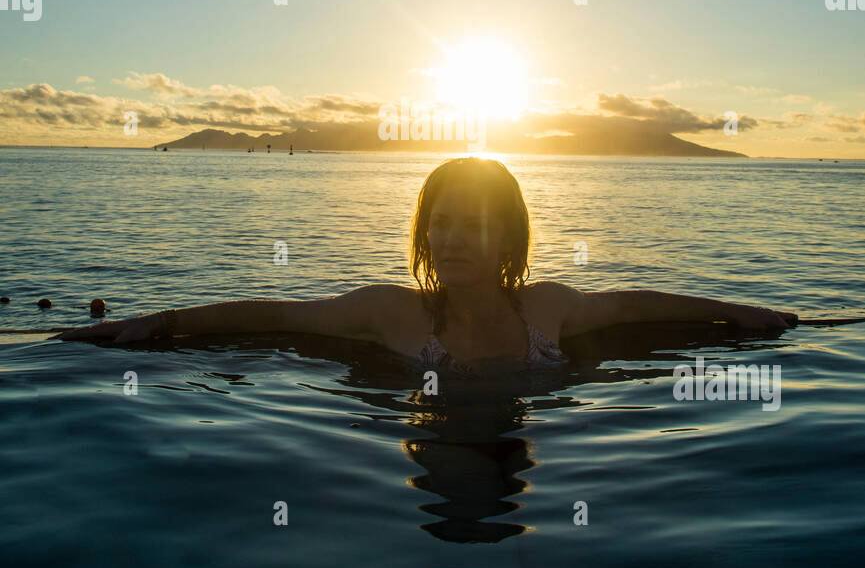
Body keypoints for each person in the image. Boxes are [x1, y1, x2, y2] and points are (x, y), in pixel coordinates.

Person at [57, 156, 798, 372]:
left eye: (473, 225)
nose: (452, 241)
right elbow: (275, 315)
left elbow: (631, 306)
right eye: (439, 224)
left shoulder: (546, 308)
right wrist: (159, 323)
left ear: (508, 237)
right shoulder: (394, 314)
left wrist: (733, 312)